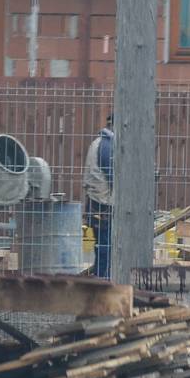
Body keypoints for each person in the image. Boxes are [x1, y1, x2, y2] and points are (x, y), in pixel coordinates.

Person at [83, 114, 115, 278]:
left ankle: (103, 277)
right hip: (104, 205)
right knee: (106, 246)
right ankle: (104, 280)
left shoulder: (99, 143)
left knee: (102, 246)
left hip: (96, 202)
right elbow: (114, 178)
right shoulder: (107, 146)